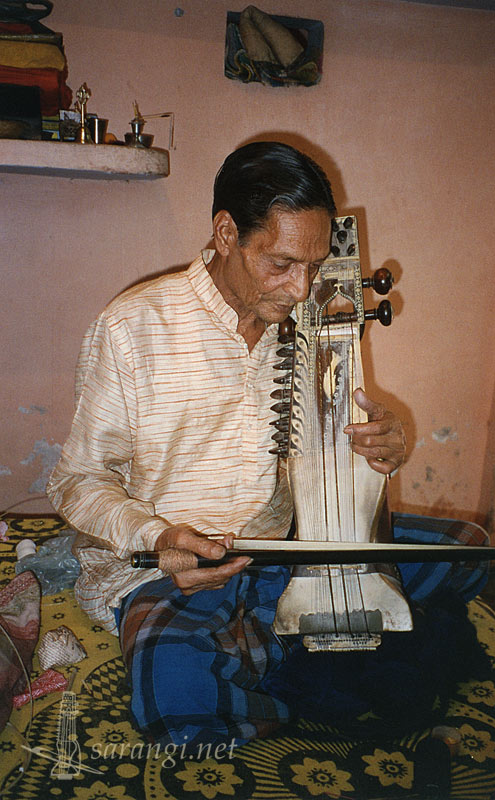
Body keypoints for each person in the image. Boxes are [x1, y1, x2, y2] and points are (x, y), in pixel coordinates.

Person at [47, 141, 406, 752]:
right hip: (171, 568)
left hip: (282, 547)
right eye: (283, 264)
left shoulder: (319, 320)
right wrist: (158, 538)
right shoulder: (133, 327)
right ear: (225, 233)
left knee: (467, 553)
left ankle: (271, 658)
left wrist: (386, 449)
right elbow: (76, 481)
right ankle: (295, 670)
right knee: (175, 696)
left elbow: (338, 472)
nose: (303, 289)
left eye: (316, 265)